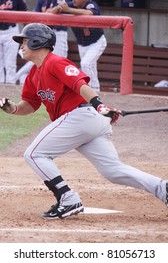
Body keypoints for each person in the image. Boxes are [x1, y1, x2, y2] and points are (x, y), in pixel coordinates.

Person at [0, 23, 167, 219]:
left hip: (82, 116)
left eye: (25, 41)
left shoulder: (55, 62)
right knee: (112, 171)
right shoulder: (34, 75)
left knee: (34, 154)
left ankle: (67, 198)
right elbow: (29, 105)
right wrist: (11, 108)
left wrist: (99, 104)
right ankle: (163, 188)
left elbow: (79, 84)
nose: (21, 45)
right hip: (85, 121)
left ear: (39, 41)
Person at [51, 0, 107, 92]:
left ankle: (90, 92)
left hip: (97, 42)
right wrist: (59, 8)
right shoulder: (71, 5)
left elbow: (89, 13)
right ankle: (96, 91)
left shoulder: (91, 4)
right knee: (90, 67)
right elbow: (51, 13)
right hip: (82, 44)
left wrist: (68, 9)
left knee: (85, 64)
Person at [15, 0, 71, 85]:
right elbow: (35, 15)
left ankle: (17, 78)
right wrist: (49, 12)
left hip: (58, 33)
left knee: (58, 64)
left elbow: (58, 10)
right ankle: (18, 79)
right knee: (36, 62)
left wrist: (47, 13)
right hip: (42, 35)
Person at [0, 0, 28, 84]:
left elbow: (25, 14)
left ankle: (9, 89)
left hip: (10, 31)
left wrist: (26, 35)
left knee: (10, 63)